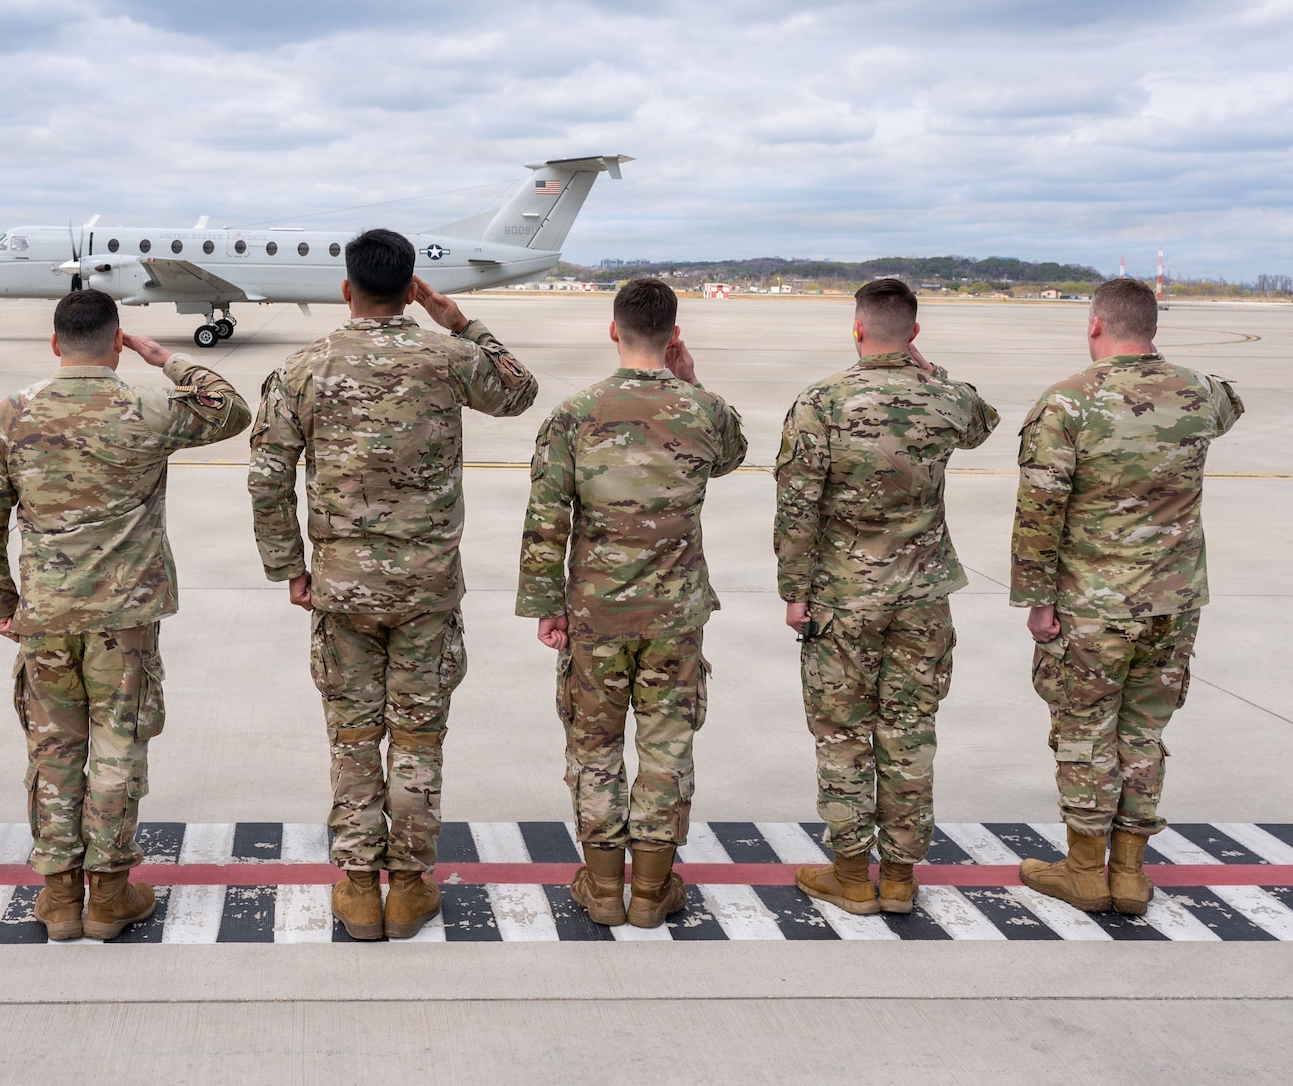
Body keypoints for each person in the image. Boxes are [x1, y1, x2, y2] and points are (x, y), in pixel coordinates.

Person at [249, 229, 539, 940]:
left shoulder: (305, 367)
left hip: (341, 590)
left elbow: (266, 476)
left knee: (353, 735)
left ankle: (356, 886)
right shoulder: (447, 357)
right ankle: (408, 886)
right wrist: (462, 320)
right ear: (412, 288)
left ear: (345, 290)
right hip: (427, 590)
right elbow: (520, 391)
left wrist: (288, 565)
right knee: (417, 735)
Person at [0, 289, 250, 941]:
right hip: (124, 619)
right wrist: (170, 359)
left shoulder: (12, 415)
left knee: (54, 753)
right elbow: (230, 409)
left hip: (44, 615)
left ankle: (60, 897)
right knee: (118, 749)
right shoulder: (146, 406)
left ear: (54, 343)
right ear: (118, 343)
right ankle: (111, 895)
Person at [516, 278, 745, 928]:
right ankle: (652, 890)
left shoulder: (575, 412)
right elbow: (731, 455)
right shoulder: (704, 412)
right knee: (667, 744)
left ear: (613, 329)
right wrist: (692, 382)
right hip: (676, 614)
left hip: (598, 612)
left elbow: (545, 517)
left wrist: (545, 603)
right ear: (674, 335)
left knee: (595, 745)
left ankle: (606, 886)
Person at [1014, 276, 1242, 914]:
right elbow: (1231, 401)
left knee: (1086, 729)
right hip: (1173, 602)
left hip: (1094, 604)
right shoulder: (1197, 392)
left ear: (1094, 325)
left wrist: (1037, 598)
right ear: (1153, 328)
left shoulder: (1067, 403)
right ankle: (1132, 876)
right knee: (1144, 731)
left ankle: (1086, 872)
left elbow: (1039, 510)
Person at [773, 278, 998, 916]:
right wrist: (933, 371)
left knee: (843, 733)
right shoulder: (942, 397)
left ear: (857, 328)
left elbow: (797, 506)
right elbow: (983, 422)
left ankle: (850, 875)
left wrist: (795, 590)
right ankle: (898, 878)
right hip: (922, 597)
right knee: (910, 729)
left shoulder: (823, 401)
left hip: (843, 597)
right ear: (916, 334)